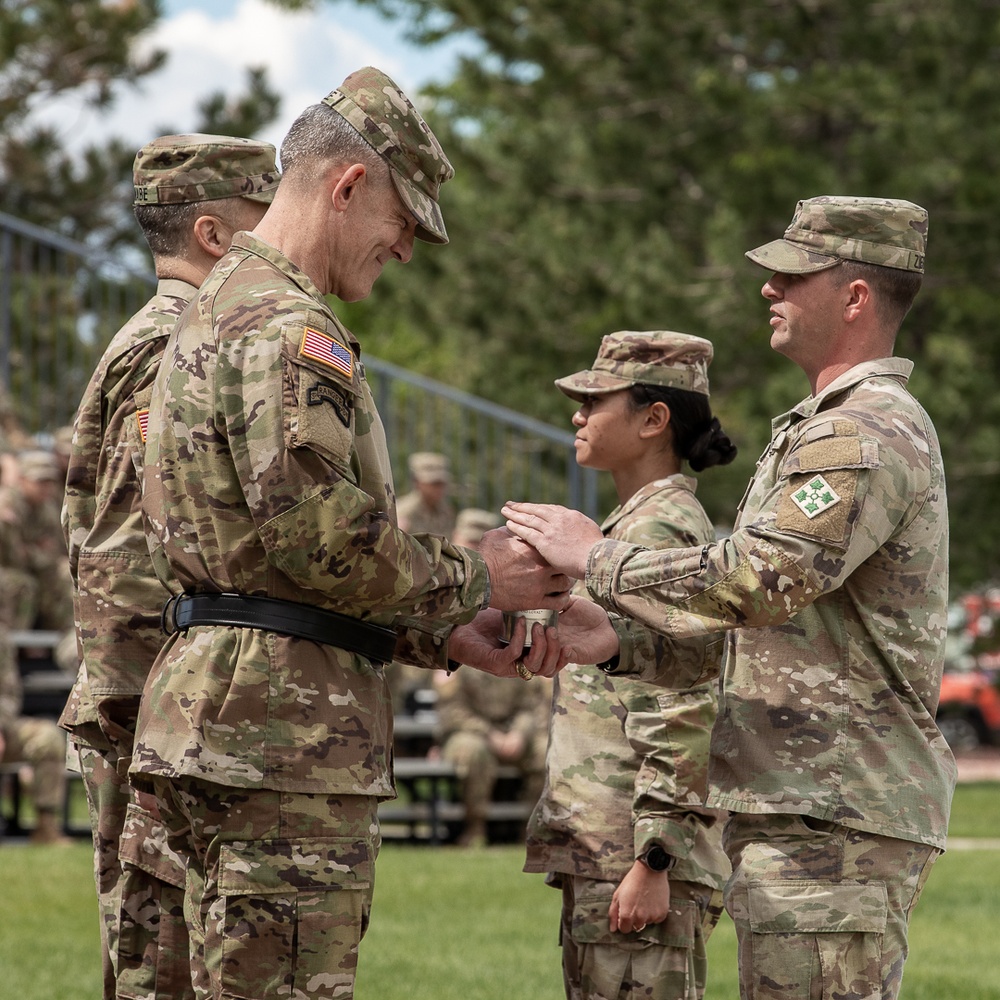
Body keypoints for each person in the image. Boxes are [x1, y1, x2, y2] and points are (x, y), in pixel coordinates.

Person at [131, 67, 569, 1000]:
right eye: (403, 223)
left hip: (221, 714)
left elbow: (260, 560)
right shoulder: (288, 327)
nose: (405, 250)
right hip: (279, 736)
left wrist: (435, 632)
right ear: (348, 186)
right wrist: (477, 579)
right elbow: (315, 537)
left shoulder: (213, 308)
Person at [503, 196, 956, 1000]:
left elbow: (759, 579)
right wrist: (616, 644)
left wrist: (595, 556)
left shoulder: (864, 431)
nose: (767, 291)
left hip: (833, 815)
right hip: (809, 810)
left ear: (855, 297)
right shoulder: (825, 428)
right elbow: (753, 635)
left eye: (793, 275)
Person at [58, 133, 280, 1000]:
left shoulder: (153, 335)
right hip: (147, 700)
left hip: (141, 694)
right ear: (217, 236)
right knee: (164, 964)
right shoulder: (176, 343)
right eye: (266, 218)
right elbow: (132, 544)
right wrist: (151, 704)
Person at [524, 331, 734, 1000]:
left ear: (653, 419)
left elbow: (683, 695)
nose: (578, 416)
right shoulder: (631, 527)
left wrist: (656, 855)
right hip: (616, 845)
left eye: (594, 401)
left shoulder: (656, 533)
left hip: (634, 850)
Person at [433, 506, 547, 847]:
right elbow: (452, 710)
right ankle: (476, 830)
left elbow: (531, 697)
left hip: (512, 727)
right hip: (472, 731)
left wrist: (519, 732)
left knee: (545, 750)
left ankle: (529, 834)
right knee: (473, 752)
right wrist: (492, 735)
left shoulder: (514, 616)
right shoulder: (445, 603)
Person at [395, 450, 457, 535]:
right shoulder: (404, 512)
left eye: (441, 483)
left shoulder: (445, 513)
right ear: (417, 482)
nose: (439, 488)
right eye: (434, 483)